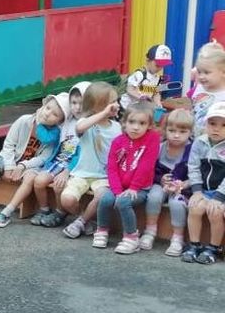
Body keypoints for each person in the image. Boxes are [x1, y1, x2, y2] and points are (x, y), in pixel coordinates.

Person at [0, 94, 67, 224]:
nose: (48, 114)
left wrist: (23, 165)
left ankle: (6, 212)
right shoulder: (24, 121)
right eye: (48, 108)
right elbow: (9, 144)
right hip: (10, 156)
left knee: (30, 179)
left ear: (60, 121)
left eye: (55, 114)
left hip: (31, 165)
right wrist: (9, 166)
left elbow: (43, 158)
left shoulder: (55, 136)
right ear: (43, 106)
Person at [94, 103, 161, 254]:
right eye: (132, 122)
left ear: (149, 125)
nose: (136, 127)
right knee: (105, 199)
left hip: (140, 188)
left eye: (142, 123)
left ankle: (132, 238)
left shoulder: (152, 138)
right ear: (124, 122)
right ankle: (102, 230)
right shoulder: (117, 141)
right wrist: (117, 191)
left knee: (123, 202)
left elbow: (146, 165)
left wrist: (134, 187)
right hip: (120, 187)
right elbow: (112, 168)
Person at [61, 82, 122, 239]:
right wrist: (103, 113)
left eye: (117, 101)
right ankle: (84, 219)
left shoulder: (117, 128)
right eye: (112, 102)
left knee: (102, 197)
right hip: (81, 174)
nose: (116, 105)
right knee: (67, 200)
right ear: (97, 106)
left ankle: (80, 222)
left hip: (104, 177)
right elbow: (80, 128)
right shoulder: (84, 123)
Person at [141, 108, 193, 256]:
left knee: (177, 202)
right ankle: (150, 231)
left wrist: (183, 184)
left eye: (182, 132)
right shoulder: (160, 147)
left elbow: (198, 175)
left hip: (183, 187)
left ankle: (177, 238)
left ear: (190, 132)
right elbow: (150, 170)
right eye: (172, 130)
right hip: (161, 184)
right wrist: (160, 179)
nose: (176, 135)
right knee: (154, 196)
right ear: (165, 130)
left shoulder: (193, 150)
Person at [32, 83, 86, 227]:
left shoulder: (88, 125)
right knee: (39, 181)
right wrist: (40, 122)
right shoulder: (66, 123)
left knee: (58, 185)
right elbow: (47, 138)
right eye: (74, 103)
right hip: (58, 161)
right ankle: (44, 209)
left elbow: (83, 154)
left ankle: (60, 213)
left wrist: (67, 171)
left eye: (82, 104)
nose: (77, 107)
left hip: (75, 165)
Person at [181, 101, 225, 264]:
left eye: (223, 125)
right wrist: (197, 191)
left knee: (215, 212)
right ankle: (194, 244)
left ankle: (213, 247)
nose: (216, 129)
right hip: (205, 191)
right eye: (212, 123)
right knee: (195, 207)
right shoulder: (200, 142)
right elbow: (193, 167)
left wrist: (219, 197)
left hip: (222, 194)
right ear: (205, 124)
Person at [121, 44, 172, 112]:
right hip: (127, 107)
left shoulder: (157, 78)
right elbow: (129, 89)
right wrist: (140, 97)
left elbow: (156, 94)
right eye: (157, 65)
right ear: (148, 61)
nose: (159, 68)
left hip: (141, 108)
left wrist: (158, 104)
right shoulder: (140, 74)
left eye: (162, 66)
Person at [190, 42, 225, 134]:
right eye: (199, 72)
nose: (201, 76)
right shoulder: (198, 87)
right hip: (195, 137)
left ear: (223, 72)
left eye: (206, 72)